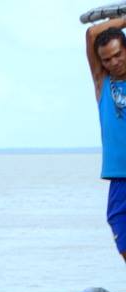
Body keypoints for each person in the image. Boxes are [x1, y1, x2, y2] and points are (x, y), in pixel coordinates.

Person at [86, 18, 126, 262]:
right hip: (119, 177)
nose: (114, 62)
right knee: (119, 229)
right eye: (107, 59)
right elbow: (91, 34)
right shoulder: (103, 83)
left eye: (118, 55)